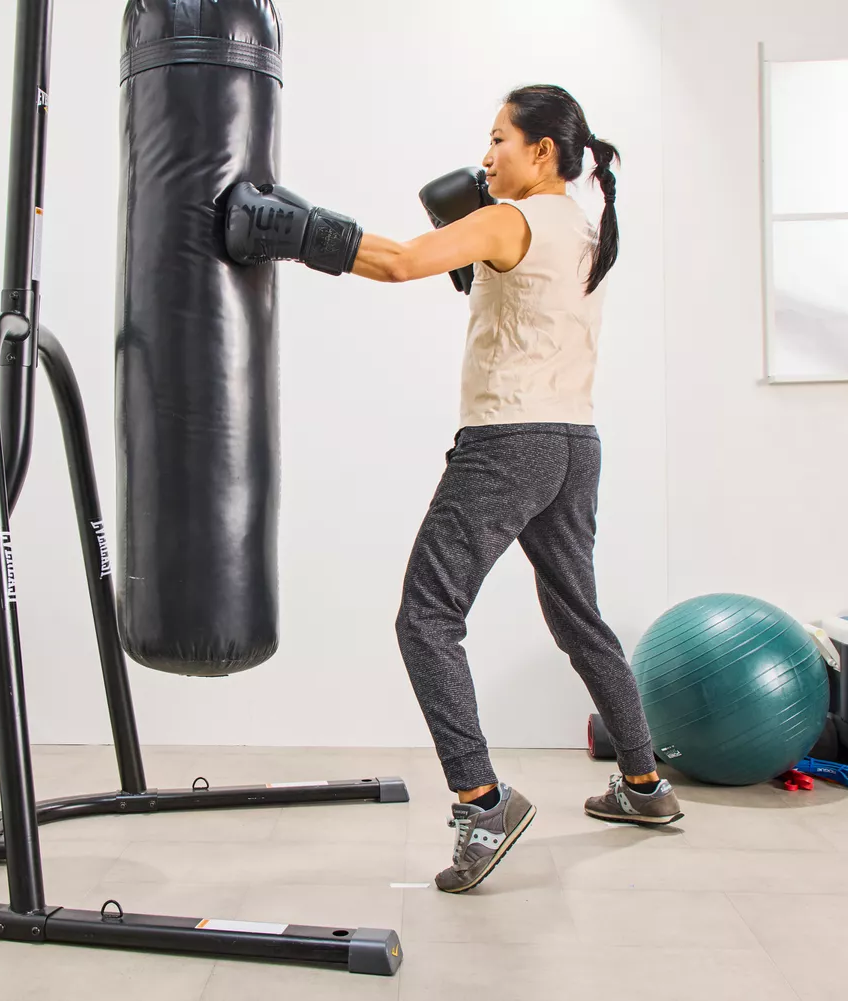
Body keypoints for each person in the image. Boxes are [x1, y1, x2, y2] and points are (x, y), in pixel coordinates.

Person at [223, 83, 683, 894]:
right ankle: (644, 784)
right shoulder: (586, 223)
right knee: (581, 618)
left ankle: (482, 801)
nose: (487, 155)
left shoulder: (513, 218)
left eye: (501, 139)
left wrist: (293, 232)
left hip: (509, 440)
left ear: (542, 152)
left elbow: (399, 261)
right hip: (575, 441)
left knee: (426, 618)